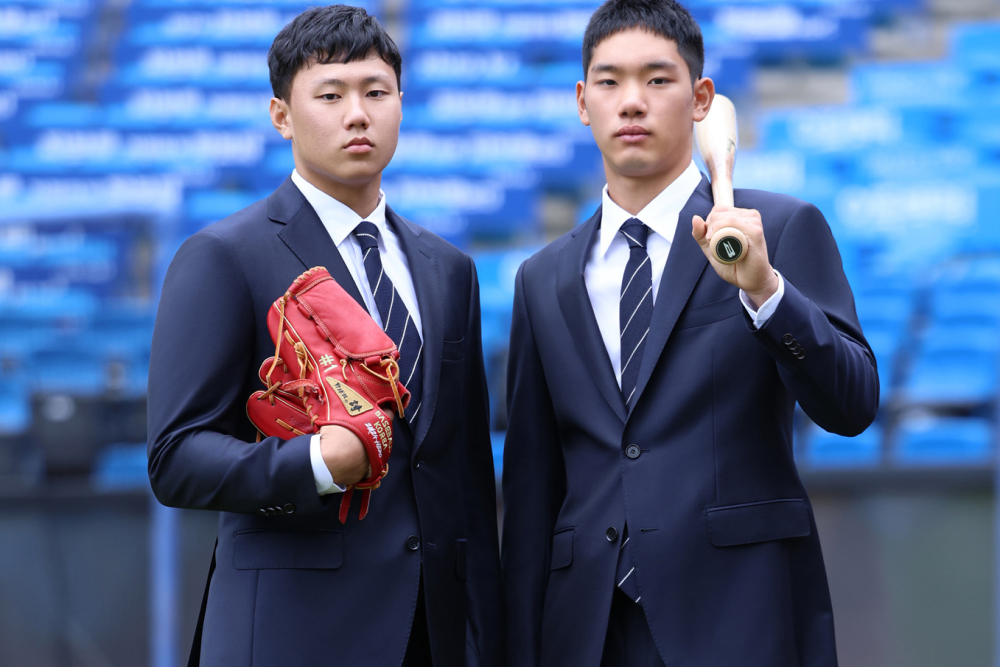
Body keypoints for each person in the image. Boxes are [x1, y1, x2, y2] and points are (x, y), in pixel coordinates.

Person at [500, 1, 878, 666]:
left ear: (701, 98)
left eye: (657, 79)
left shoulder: (779, 230)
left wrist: (764, 292)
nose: (632, 102)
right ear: (582, 102)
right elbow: (534, 490)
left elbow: (851, 404)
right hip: (586, 631)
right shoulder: (542, 278)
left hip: (739, 618)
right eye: (609, 82)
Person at [147, 6, 503, 666]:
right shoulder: (225, 254)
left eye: (376, 92)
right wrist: (313, 463)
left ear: (401, 102)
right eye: (330, 95)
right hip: (291, 632)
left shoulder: (449, 268)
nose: (358, 114)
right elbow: (176, 456)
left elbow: (466, 481)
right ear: (281, 115)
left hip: (435, 632)